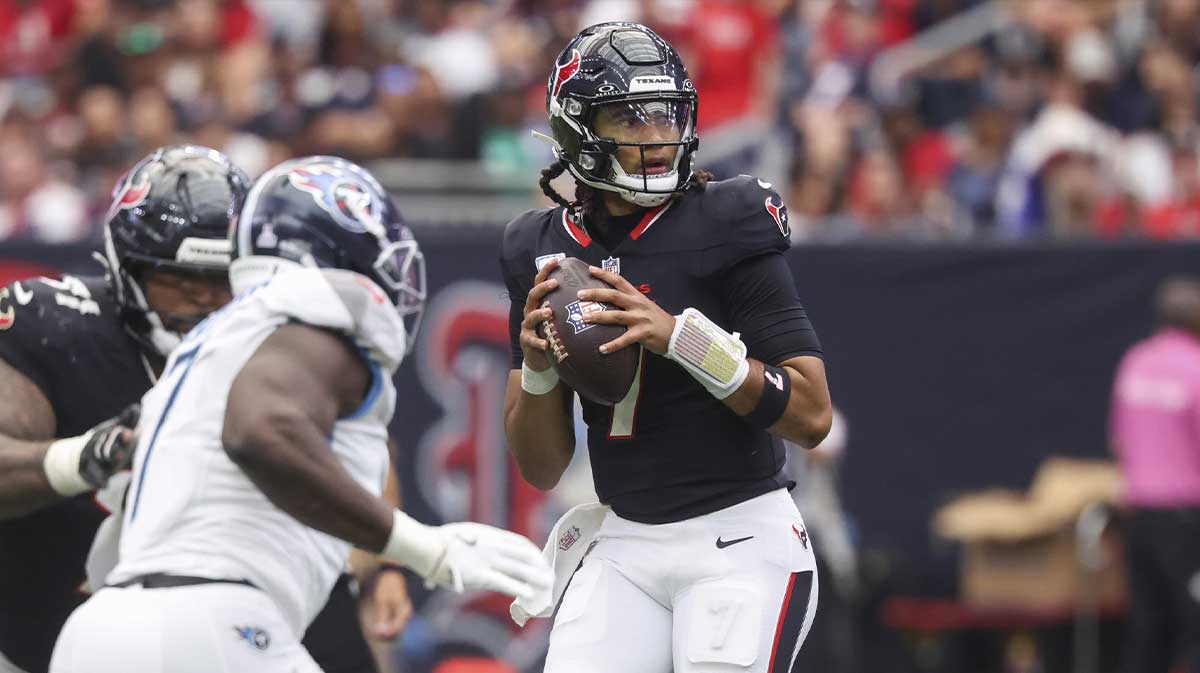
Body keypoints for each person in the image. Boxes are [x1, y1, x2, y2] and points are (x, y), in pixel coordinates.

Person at [50, 156, 553, 673]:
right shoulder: (318, 309)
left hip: (102, 627)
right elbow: (260, 430)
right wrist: (424, 548)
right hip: (212, 620)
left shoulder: (206, 348)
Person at [0, 145, 409, 673]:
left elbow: (362, 449)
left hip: (232, 612)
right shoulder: (56, 325)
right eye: (179, 281)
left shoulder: (275, 336)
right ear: (128, 270)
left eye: (222, 283)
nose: (205, 302)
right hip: (40, 636)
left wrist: (386, 566)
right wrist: (81, 459)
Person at [500, 23, 832, 673]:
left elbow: (812, 414)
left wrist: (682, 337)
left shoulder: (729, 218)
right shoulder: (536, 248)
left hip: (739, 536)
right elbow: (540, 466)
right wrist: (539, 368)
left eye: (665, 114)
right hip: (624, 542)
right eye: (629, 116)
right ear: (576, 129)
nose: (655, 136)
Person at [1110, 276, 1200, 673]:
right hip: (1185, 518)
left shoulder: (1135, 361)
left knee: (1148, 626)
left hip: (1140, 517)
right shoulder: (1195, 369)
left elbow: (1119, 441)